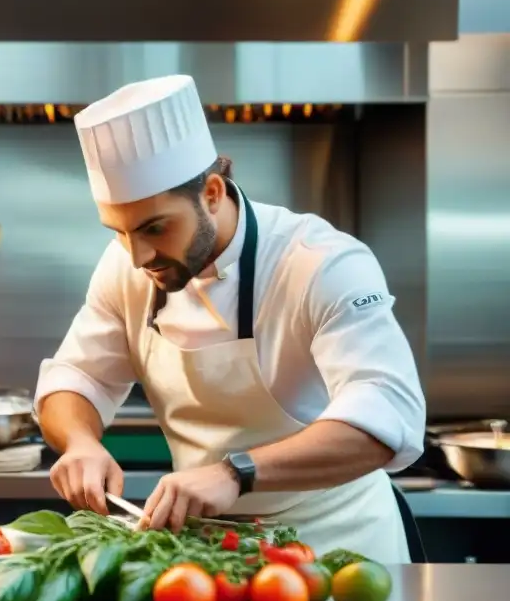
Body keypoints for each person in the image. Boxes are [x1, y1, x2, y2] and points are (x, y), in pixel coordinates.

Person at [35, 75, 425, 562]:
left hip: (338, 548)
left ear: (212, 193)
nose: (137, 256)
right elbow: (76, 376)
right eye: (119, 232)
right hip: (210, 558)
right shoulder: (126, 268)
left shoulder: (320, 263)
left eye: (155, 227)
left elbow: (387, 418)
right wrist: (79, 442)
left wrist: (234, 473)